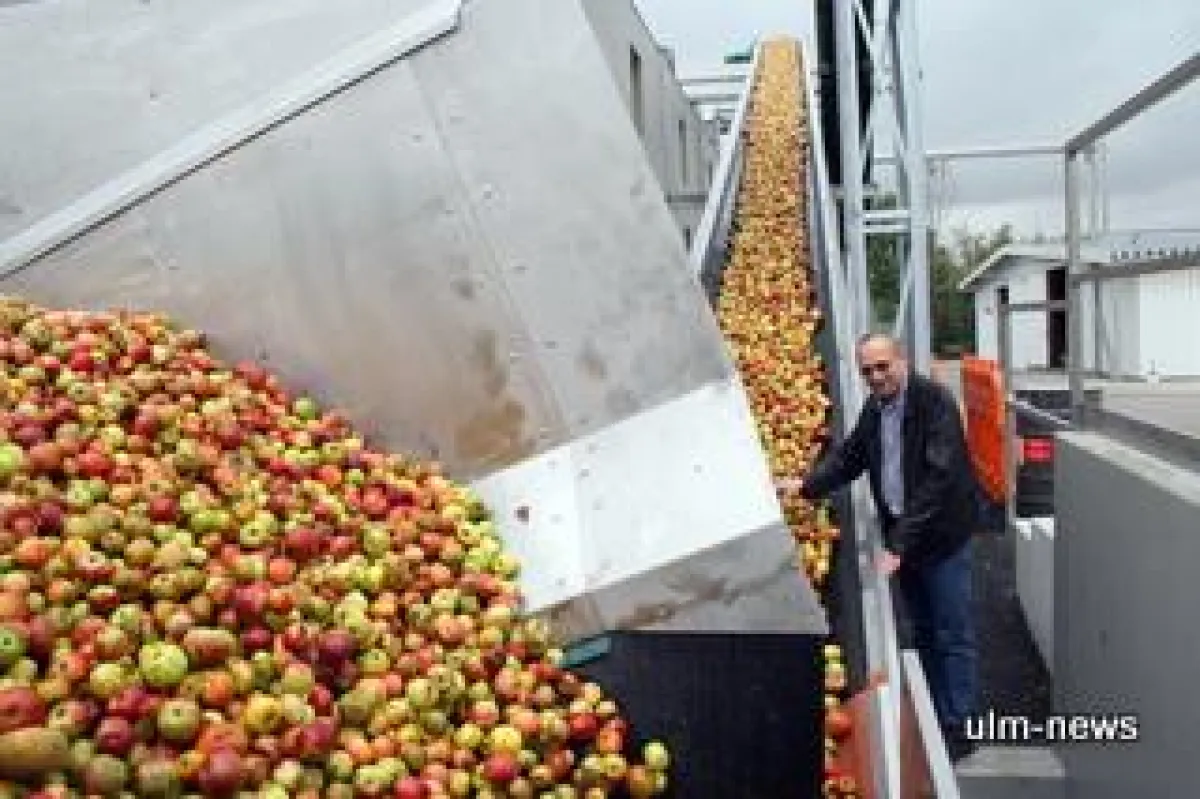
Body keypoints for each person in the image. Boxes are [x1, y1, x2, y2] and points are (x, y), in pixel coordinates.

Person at [778, 332, 981, 761]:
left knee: (952, 631)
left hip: (941, 538)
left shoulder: (934, 403)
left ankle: (958, 724)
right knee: (923, 629)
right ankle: (933, 714)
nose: (876, 377)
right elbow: (850, 456)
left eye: (882, 367)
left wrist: (898, 545)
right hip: (905, 540)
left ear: (901, 360)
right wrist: (806, 486)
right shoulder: (875, 409)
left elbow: (937, 482)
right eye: (867, 371)